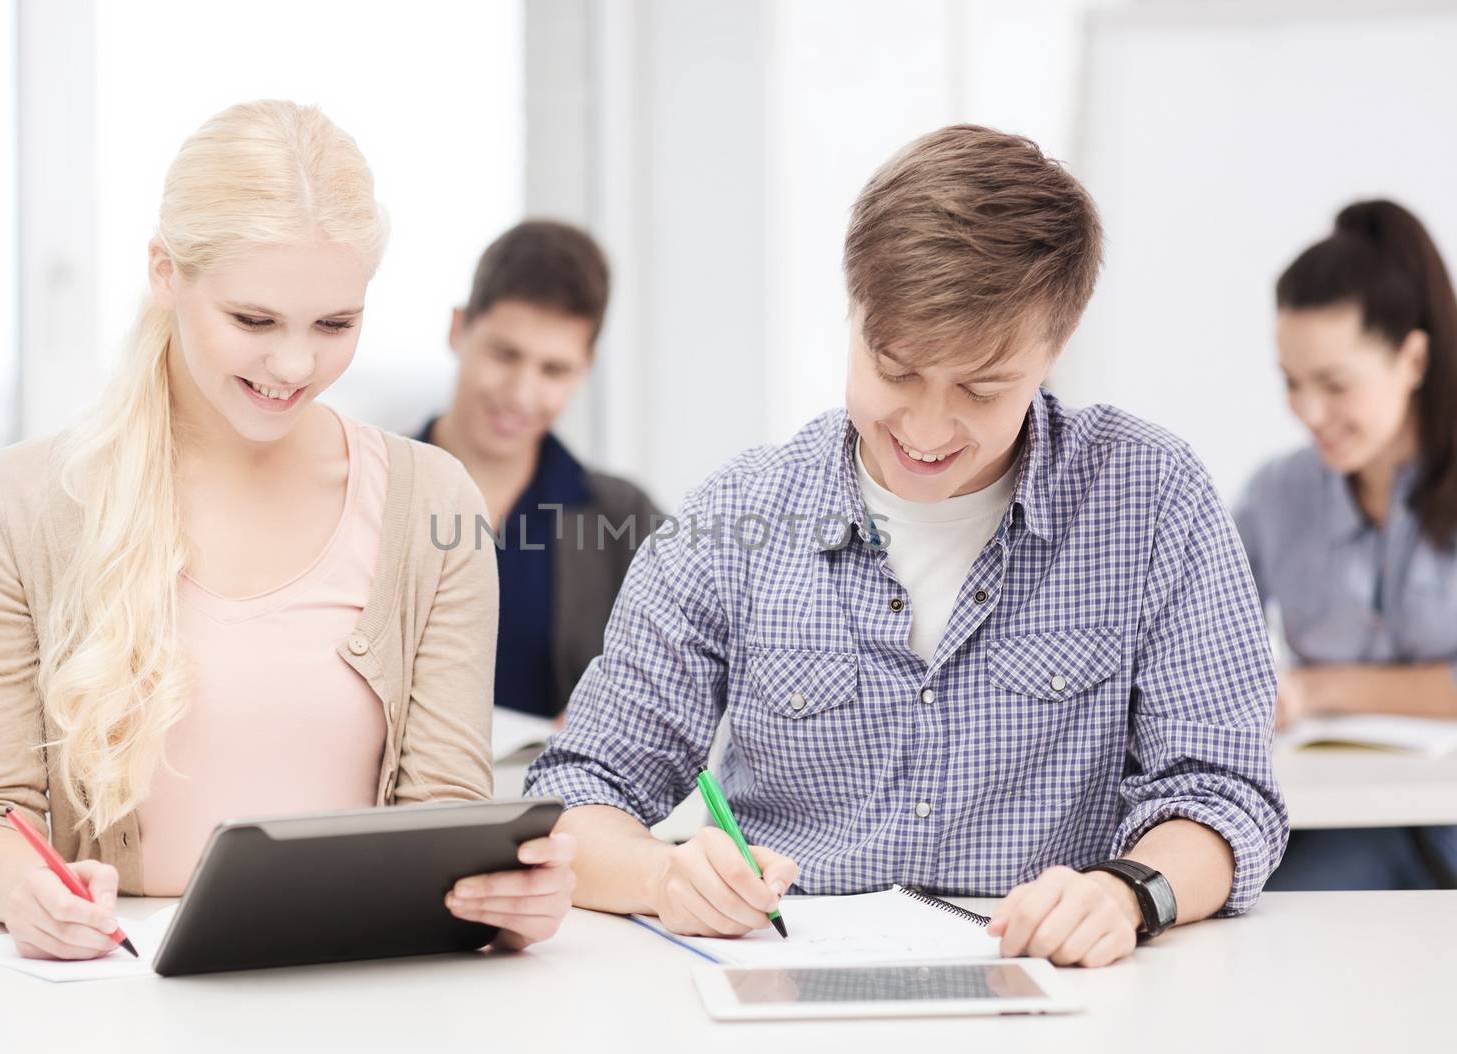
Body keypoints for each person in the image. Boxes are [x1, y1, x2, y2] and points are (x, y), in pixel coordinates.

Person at [526, 125, 1288, 968]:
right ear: (852, 312)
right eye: (894, 371)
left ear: (1056, 349)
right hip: (786, 985)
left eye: (981, 386)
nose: (925, 429)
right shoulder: (735, 519)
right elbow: (574, 791)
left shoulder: (1151, 498)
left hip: (1054, 988)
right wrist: (662, 877)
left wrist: (1127, 891)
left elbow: (1225, 795)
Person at [0, 100, 575, 960]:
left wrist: (508, 899)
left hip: (364, 978)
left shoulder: (433, 504)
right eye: (254, 321)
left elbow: (446, 815)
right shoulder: (15, 507)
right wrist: (29, 894)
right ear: (165, 272)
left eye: (335, 325)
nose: (295, 366)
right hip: (116, 992)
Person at [1236, 200, 1457, 890]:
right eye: (1292, 382)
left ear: (1413, 358)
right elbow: (1197, 635)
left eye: (1335, 384)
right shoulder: (1278, 495)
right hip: (1334, 824)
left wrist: (1316, 688)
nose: (1308, 411)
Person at [419, 221, 661, 720]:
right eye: (505, 354)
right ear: (457, 329)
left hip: (556, 797)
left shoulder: (624, 517)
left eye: (554, 370)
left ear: (585, 368)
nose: (522, 394)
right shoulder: (366, 490)